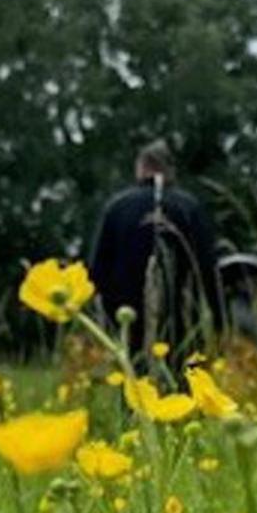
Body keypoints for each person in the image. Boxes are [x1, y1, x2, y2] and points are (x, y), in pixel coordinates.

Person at [86, 141, 224, 357]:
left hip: (126, 324)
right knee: (180, 382)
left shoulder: (117, 207)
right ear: (170, 170)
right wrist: (218, 323)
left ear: (140, 167)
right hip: (180, 323)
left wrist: (104, 322)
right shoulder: (188, 207)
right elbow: (209, 271)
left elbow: (96, 272)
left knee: (133, 384)